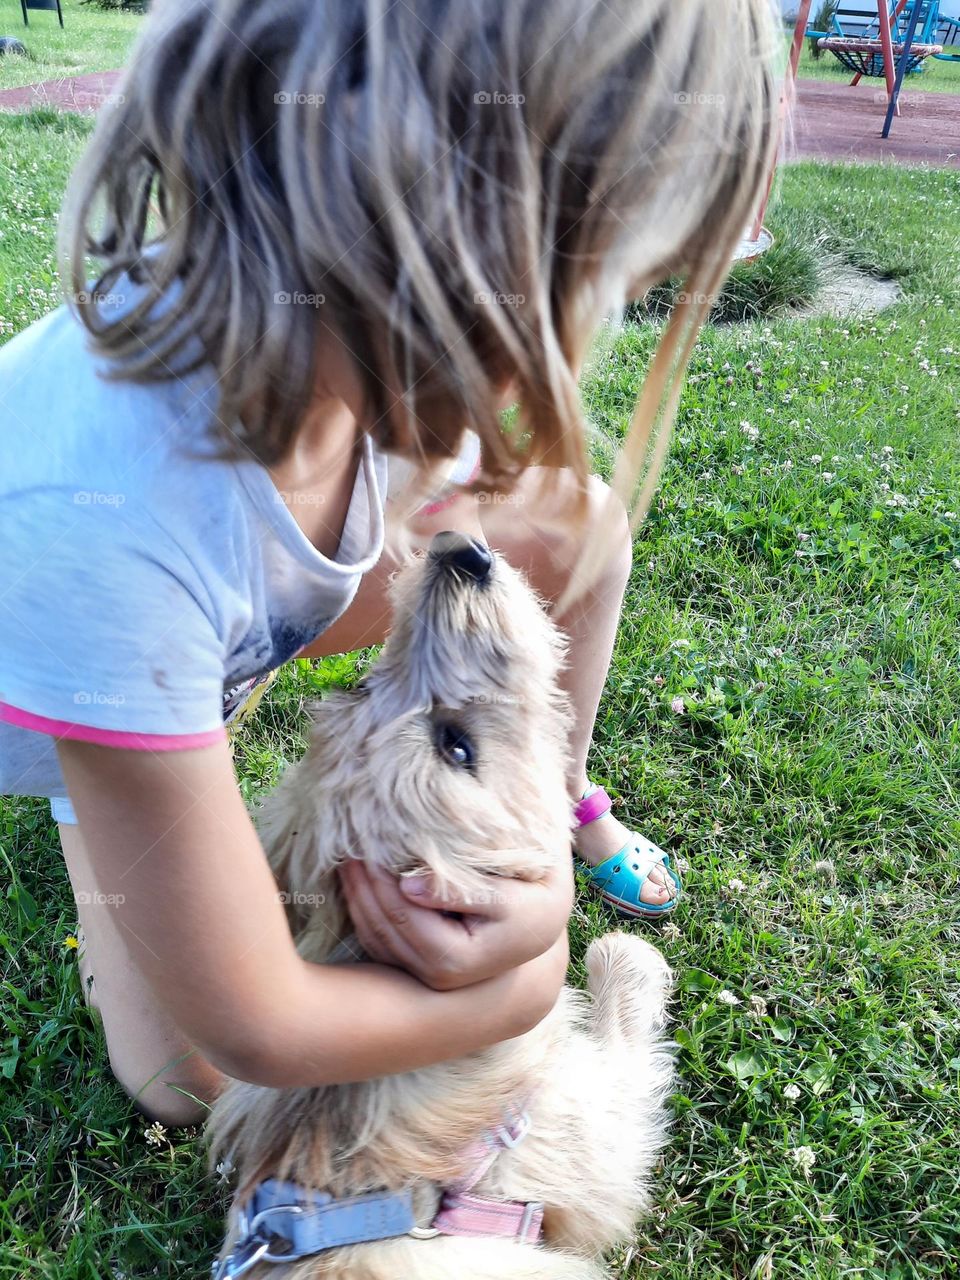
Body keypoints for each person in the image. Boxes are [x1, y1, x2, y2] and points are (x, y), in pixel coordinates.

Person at [0, 0, 776, 1125]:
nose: (588, 345)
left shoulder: (373, 337)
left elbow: (483, 509)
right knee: (187, 1082)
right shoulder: (102, 516)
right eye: (598, 295)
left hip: (241, 598)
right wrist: (523, 980)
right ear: (441, 247)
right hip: (97, 677)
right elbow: (256, 1022)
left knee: (585, 529)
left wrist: (526, 859)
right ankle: (135, 770)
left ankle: (545, 797)